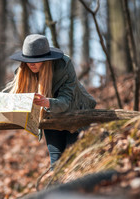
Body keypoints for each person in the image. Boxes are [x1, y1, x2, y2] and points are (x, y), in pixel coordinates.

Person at [6, 34, 97, 169]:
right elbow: (14, 92)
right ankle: (55, 189)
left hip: (76, 114)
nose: (31, 64)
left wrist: (47, 102)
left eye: (36, 60)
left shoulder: (64, 65)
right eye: (28, 60)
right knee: (56, 164)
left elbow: (66, 101)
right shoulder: (23, 70)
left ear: (45, 59)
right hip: (51, 117)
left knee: (73, 162)